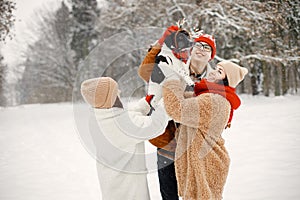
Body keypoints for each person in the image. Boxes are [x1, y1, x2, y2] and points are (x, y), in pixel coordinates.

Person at [138, 25, 217, 200]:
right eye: (199, 45)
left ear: (211, 55)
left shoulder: (214, 79)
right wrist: (160, 44)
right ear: (191, 47)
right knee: (170, 195)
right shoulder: (174, 62)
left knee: (196, 194)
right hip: (168, 144)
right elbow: (146, 71)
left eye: (207, 48)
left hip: (195, 147)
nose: (202, 50)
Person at [162, 60, 248, 199]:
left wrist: (171, 80)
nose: (213, 71)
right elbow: (187, 99)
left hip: (206, 164)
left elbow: (177, 109)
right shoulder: (211, 96)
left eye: (220, 72)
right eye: (215, 68)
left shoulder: (214, 101)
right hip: (205, 162)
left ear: (226, 81)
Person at [80, 77, 171, 200]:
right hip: (127, 190)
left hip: (113, 184)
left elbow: (128, 115)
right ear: (108, 98)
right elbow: (155, 125)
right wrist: (167, 101)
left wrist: (146, 103)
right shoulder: (119, 125)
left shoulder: (98, 115)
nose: (120, 92)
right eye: (115, 91)